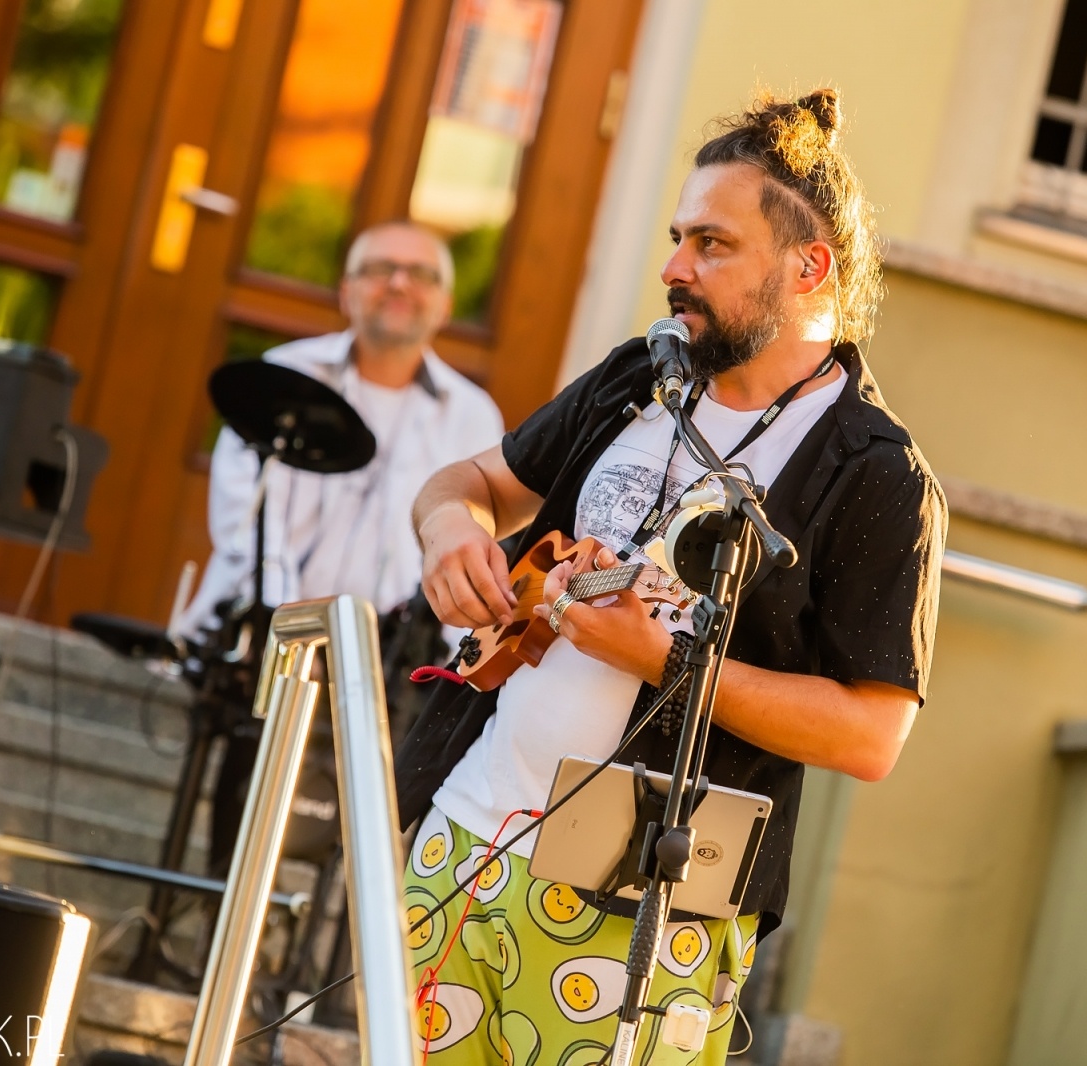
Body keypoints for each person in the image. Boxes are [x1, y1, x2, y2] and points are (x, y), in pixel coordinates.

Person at [397, 90, 948, 1064]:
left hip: (645, 907)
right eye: (676, 237)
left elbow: (871, 733)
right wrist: (450, 530)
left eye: (711, 244)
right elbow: (475, 481)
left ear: (807, 266)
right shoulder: (637, 378)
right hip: (460, 842)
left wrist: (670, 660)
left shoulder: (877, 474)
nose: (673, 267)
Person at [178, 220, 504, 871]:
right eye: (380, 268)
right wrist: (294, 624)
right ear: (347, 290)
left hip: (391, 656)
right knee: (246, 802)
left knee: (356, 835)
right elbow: (242, 522)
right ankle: (218, 910)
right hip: (272, 635)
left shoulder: (474, 417)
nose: (399, 284)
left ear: (444, 304)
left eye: (422, 275)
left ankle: (314, 950)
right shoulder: (281, 376)